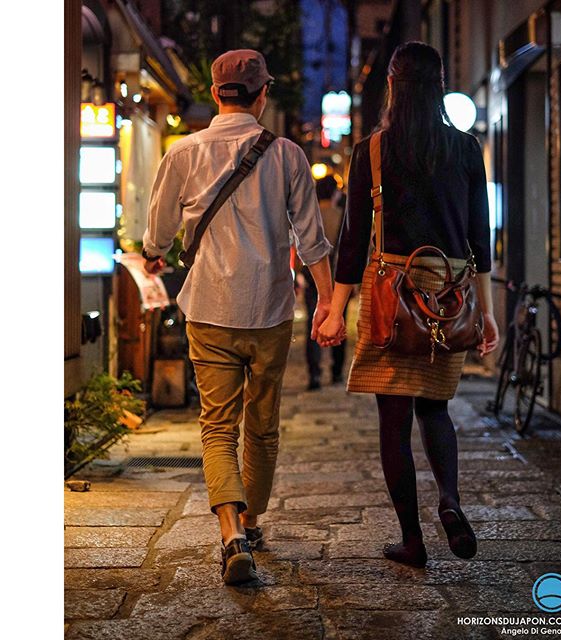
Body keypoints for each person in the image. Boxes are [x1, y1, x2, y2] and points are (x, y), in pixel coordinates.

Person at [142, 49, 344, 585]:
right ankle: (252, 523)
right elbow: (312, 239)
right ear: (261, 95)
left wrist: (156, 250)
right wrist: (326, 304)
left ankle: (231, 532)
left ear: (214, 93)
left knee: (216, 427)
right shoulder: (286, 156)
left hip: (208, 309)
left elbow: (157, 232)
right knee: (262, 427)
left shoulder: (182, 153)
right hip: (271, 310)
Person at [318, 42, 499, 568]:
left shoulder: (371, 152)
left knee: (392, 421)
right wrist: (485, 312)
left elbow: (352, 242)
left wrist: (334, 308)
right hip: (448, 294)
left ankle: (411, 540)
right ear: (440, 85)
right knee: (436, 410)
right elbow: (478, 239)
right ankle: (450, 500)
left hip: (390, 296)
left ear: (392, 86)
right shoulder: (466, 150)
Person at [299, 173, 347, 390]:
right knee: (339, 320)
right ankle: (337, 371)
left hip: (312, 277)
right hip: (340, 279)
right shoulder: (341, 216)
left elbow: (299, 247)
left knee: (313, 322)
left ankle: (314, 375)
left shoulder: (311, 216)